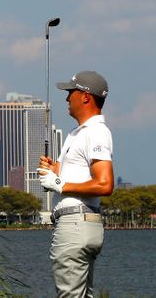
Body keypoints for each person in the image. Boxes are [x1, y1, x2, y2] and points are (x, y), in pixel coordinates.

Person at [38, 70, 114, 297]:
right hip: (81, 224)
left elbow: (104, 184)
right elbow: (73, 174)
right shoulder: (77, 134)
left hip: (75, 226)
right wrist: (53, 170)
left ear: (85, 96)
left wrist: (59, 183)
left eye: (70, 92)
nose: (66, 98)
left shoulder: (96, 132)